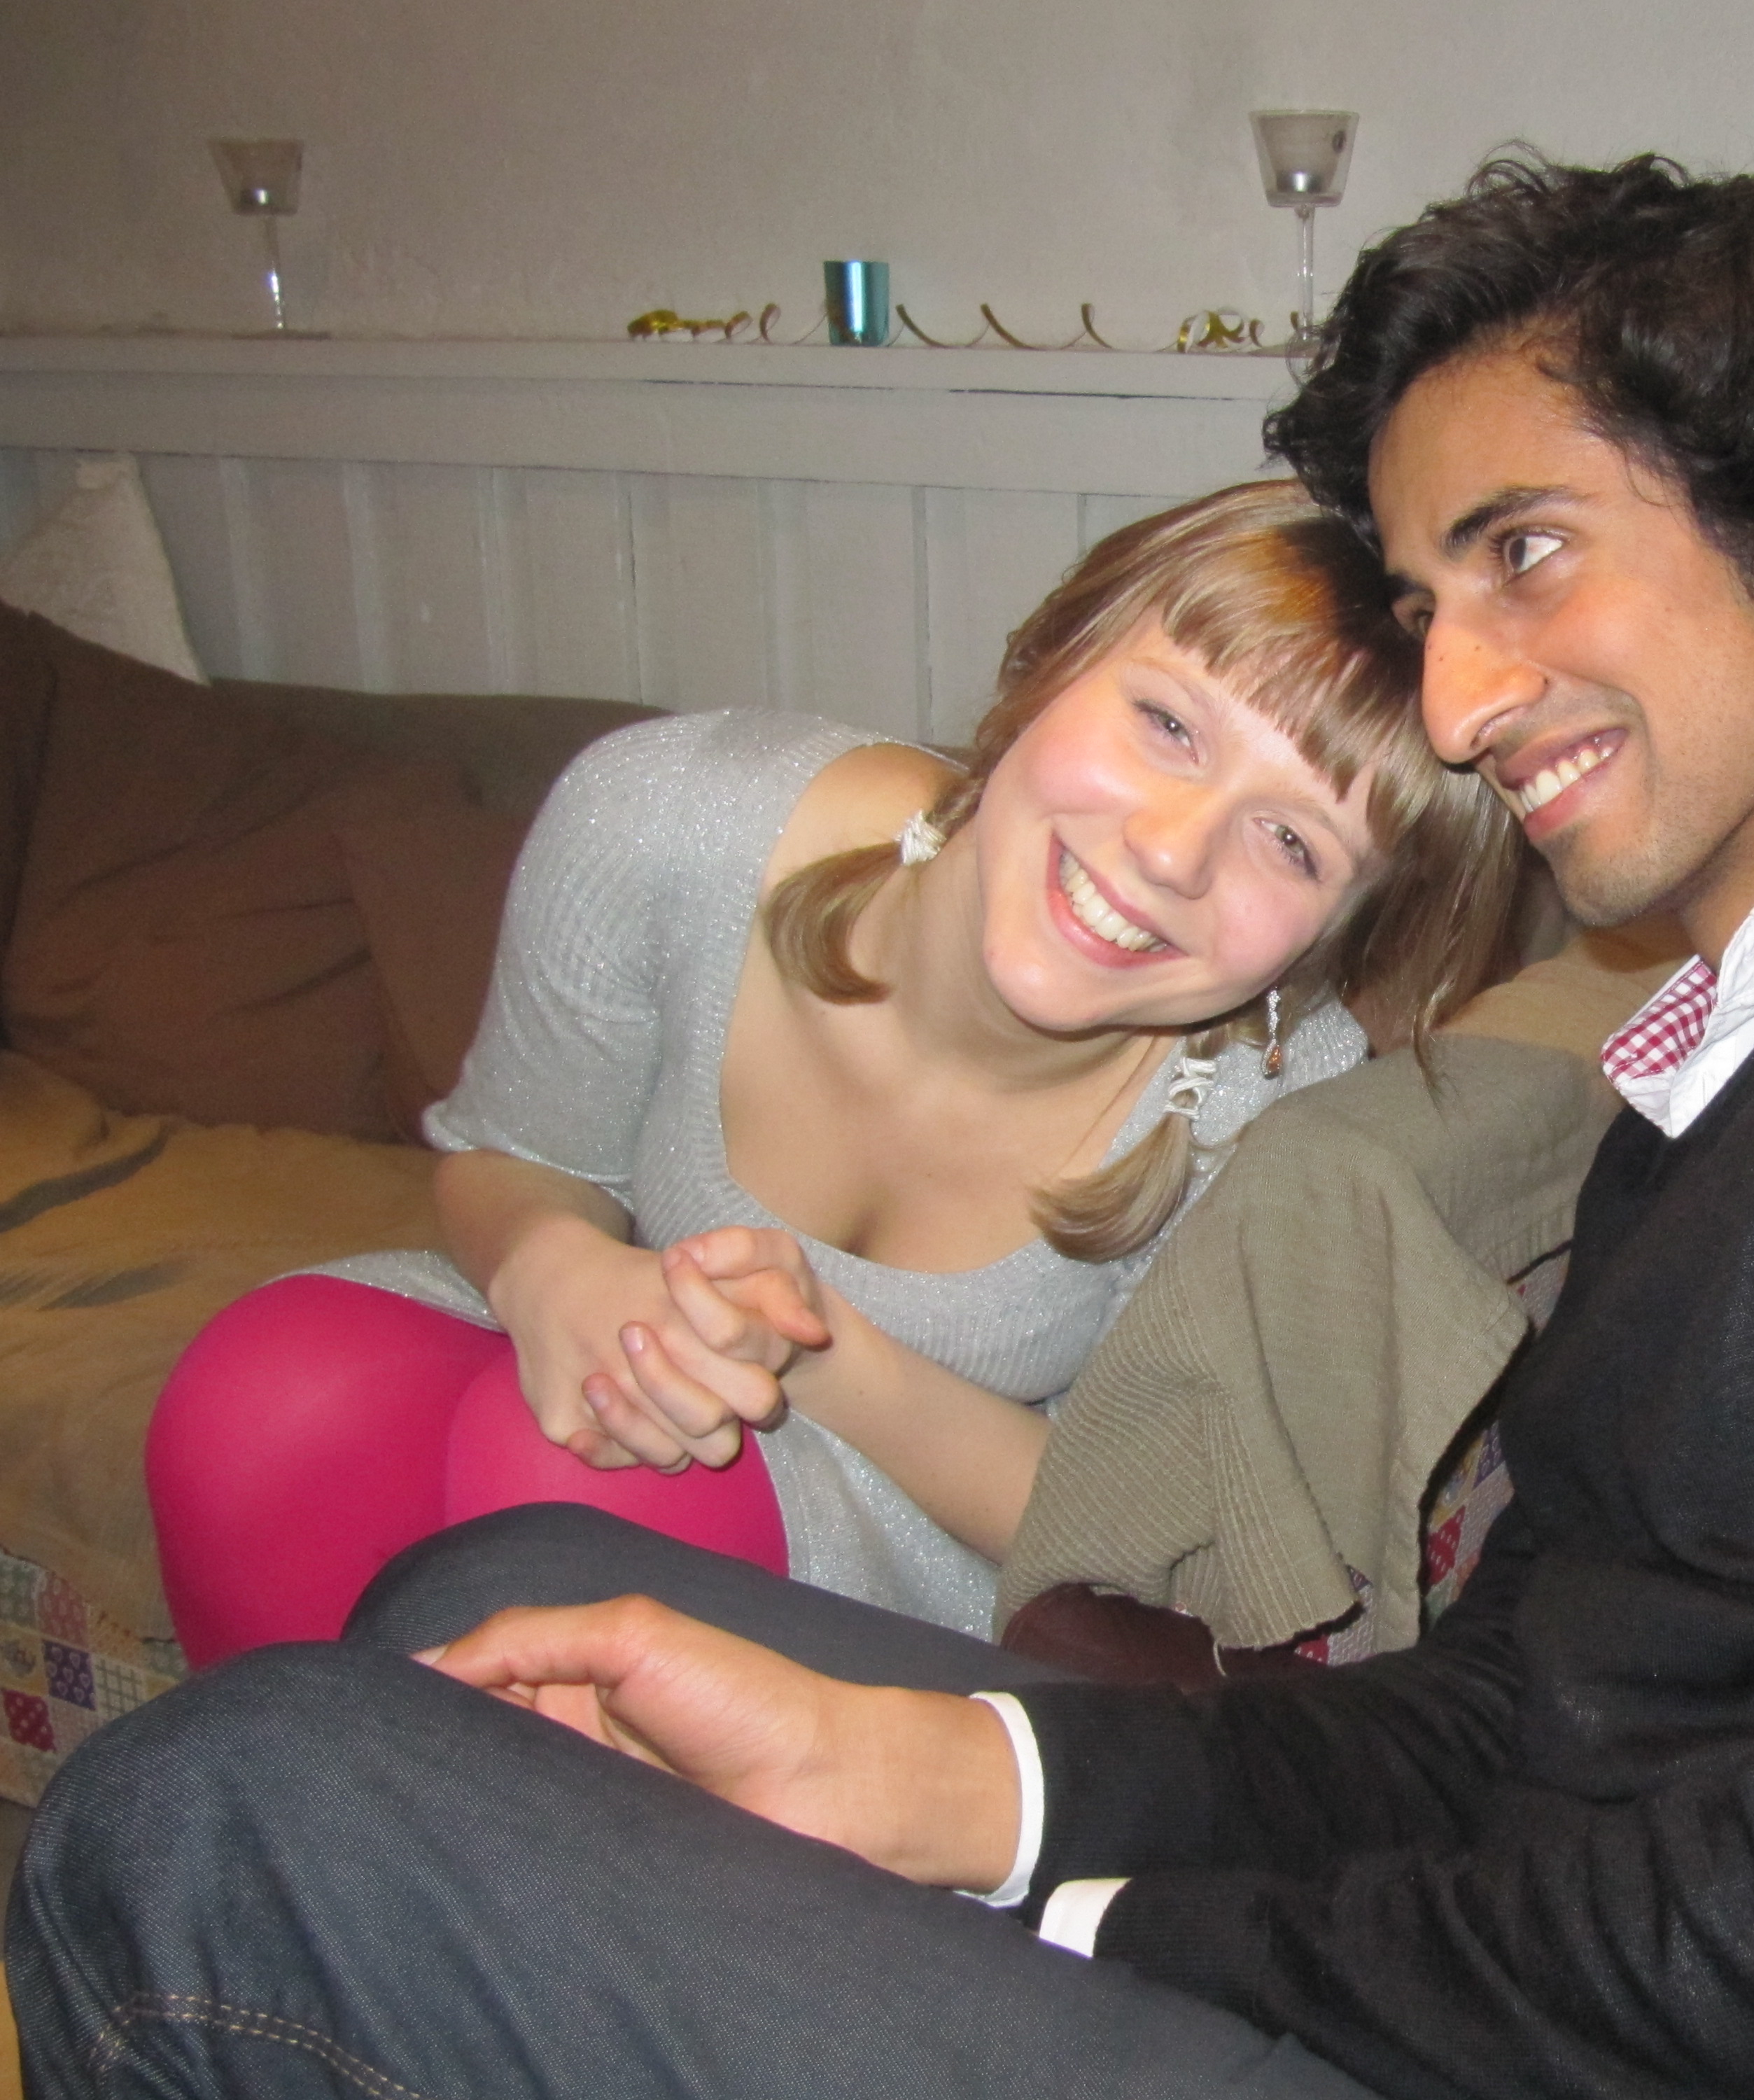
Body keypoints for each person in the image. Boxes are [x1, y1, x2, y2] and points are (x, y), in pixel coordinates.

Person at [10, 155, 1754, 2099]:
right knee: (496, 1611)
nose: (1470, 692)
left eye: (1527, 552)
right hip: (1584, 1983)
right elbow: (1513, 1720)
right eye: (1429, 603)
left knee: (218, 1813)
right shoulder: (1728, 1076)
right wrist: (948, 1780)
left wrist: (1095, 1918)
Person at [141, 478, 1520, 1665]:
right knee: (269, 1404)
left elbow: (1168, 1547)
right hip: (612, 1413)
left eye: (1293, 845)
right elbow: (517, 1156)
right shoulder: (668, 820)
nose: (1170, 849)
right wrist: (551, 1265)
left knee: (581, 1475)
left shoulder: (1280, 1119)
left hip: (937, 1588)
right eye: (1167, 724)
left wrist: (815, 1350)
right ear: (1051, 663)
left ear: (1336, 942)